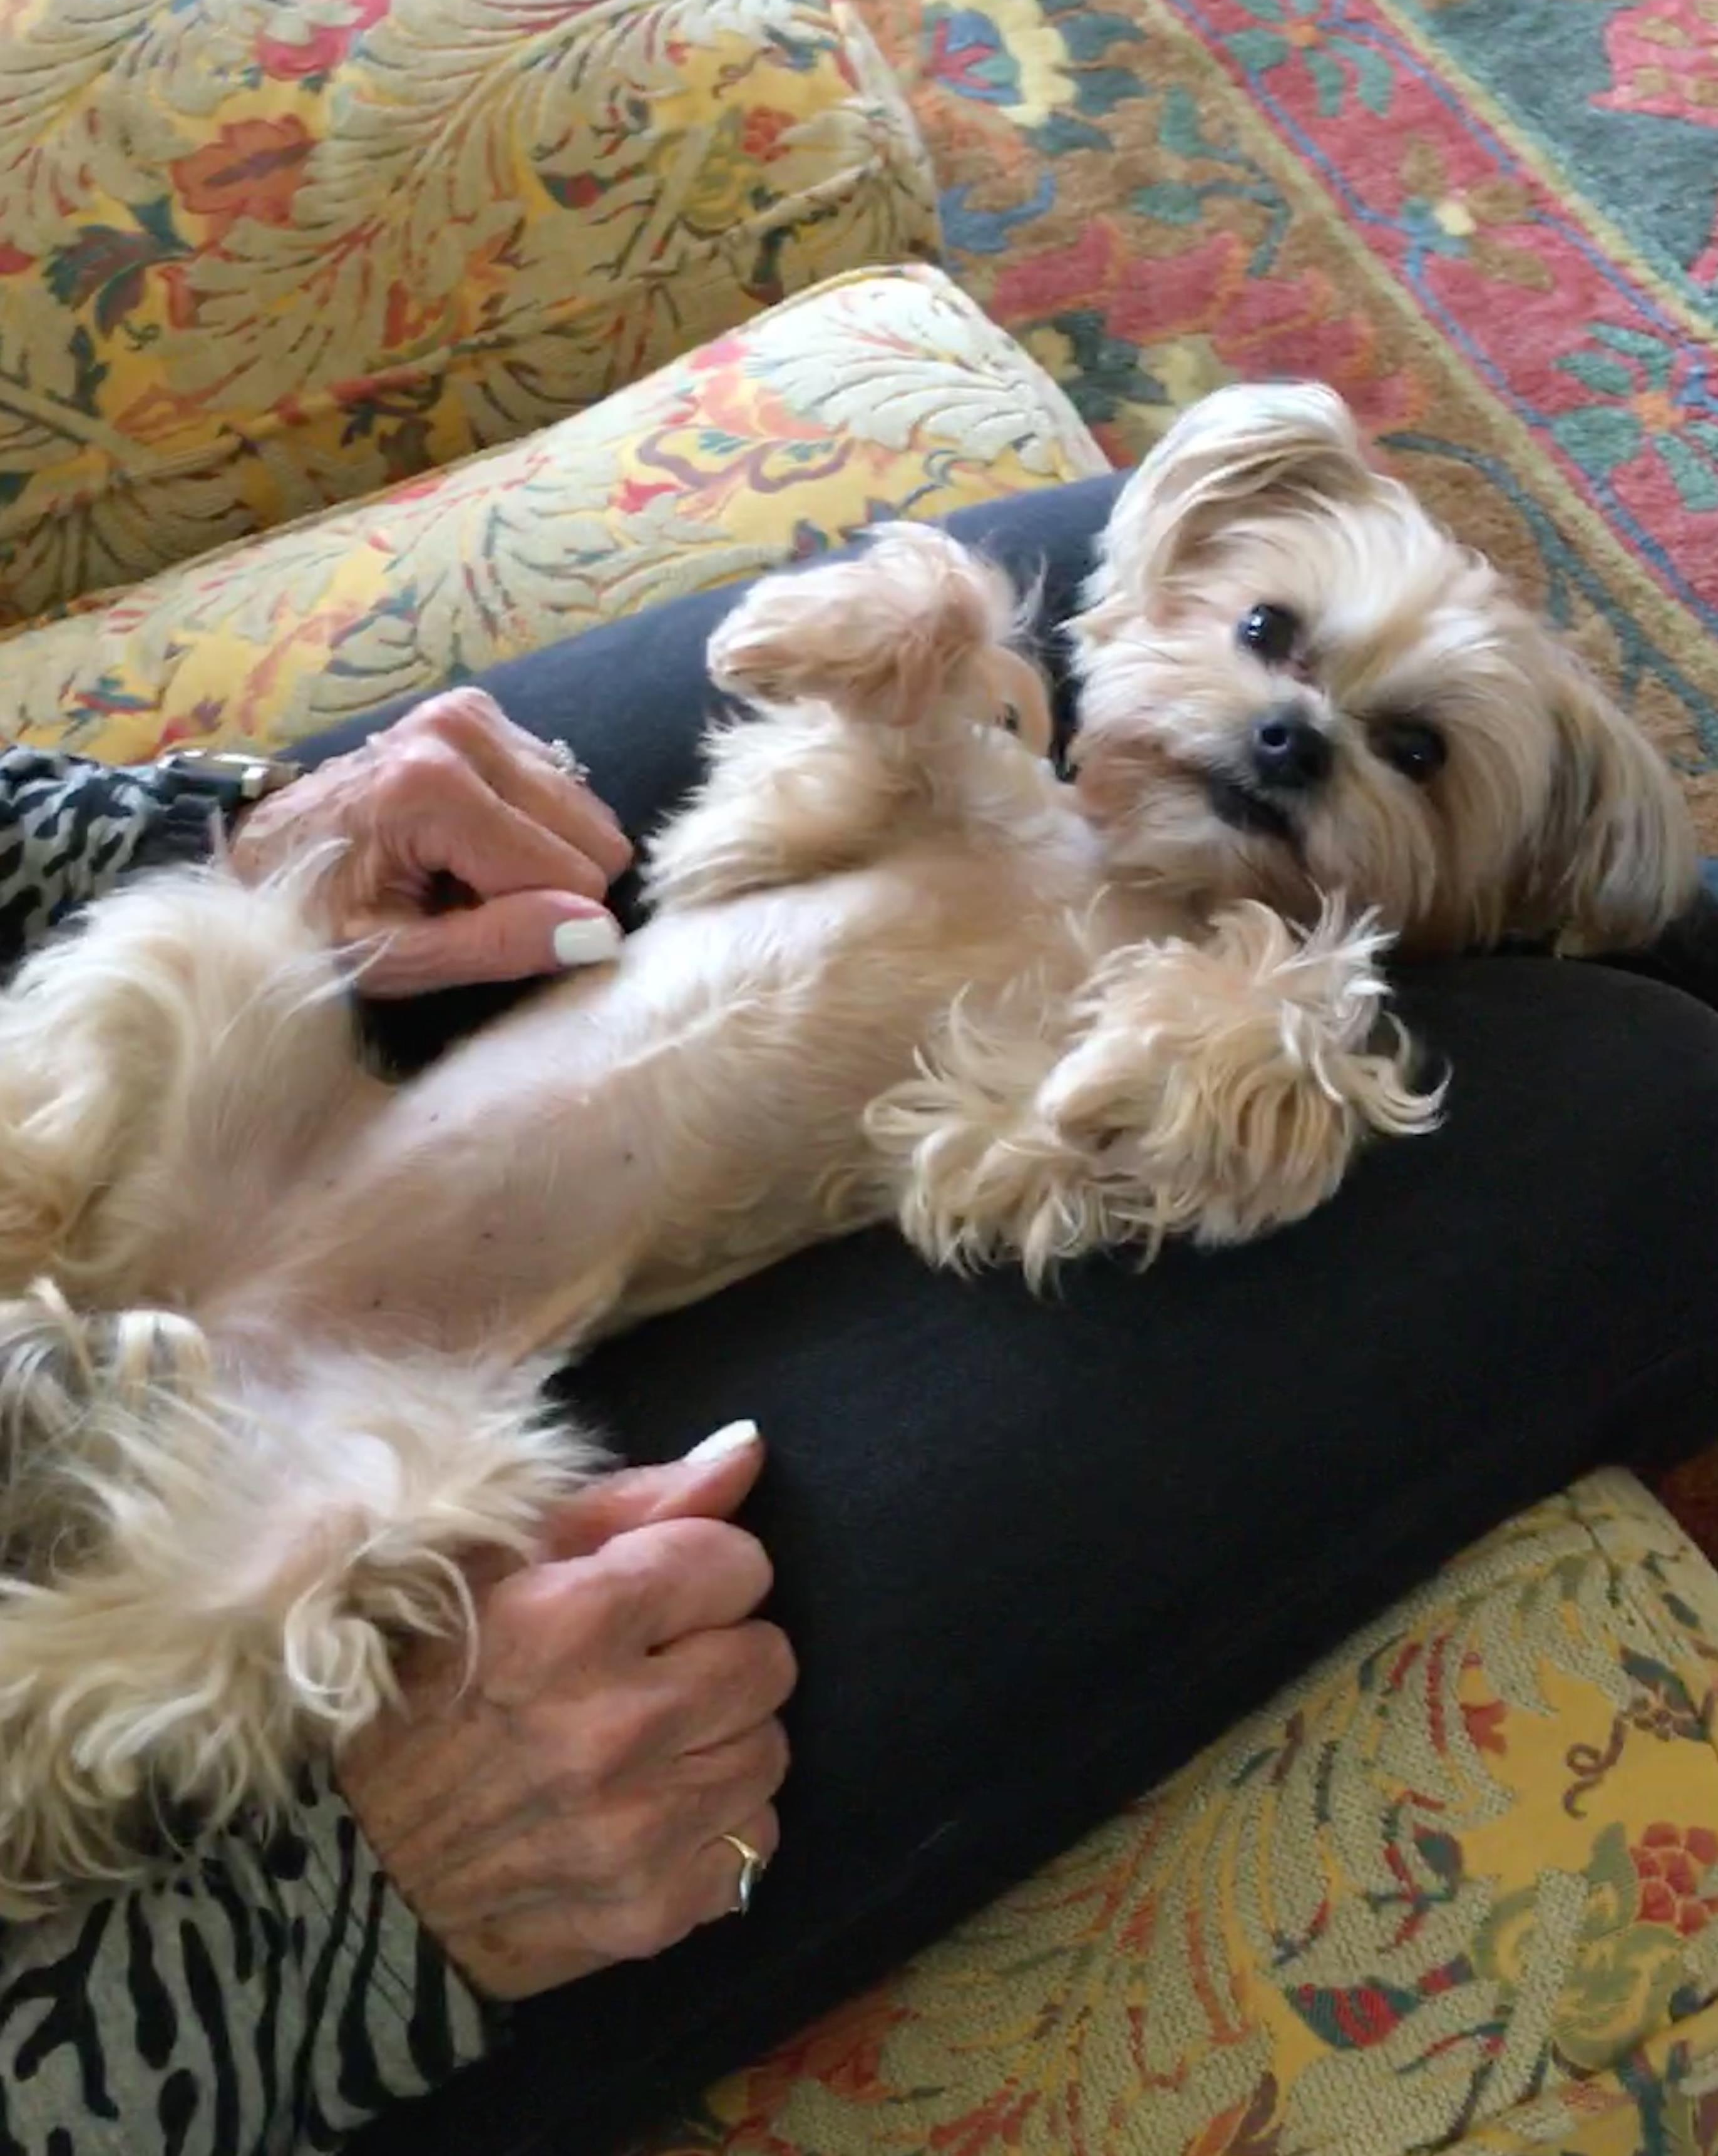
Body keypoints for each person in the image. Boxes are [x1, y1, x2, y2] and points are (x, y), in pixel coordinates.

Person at [3, 477, 1718, 2156]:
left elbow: (785, 900)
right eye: (1268, 643)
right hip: (346, 1451)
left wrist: (925, 683)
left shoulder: (1064, 831)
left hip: (266, 1153)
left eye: (1402, 749)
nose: (1292, 728)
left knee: (194, 959)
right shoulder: (1118, 903)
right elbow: (1004, 1160)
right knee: (1636, 1095)